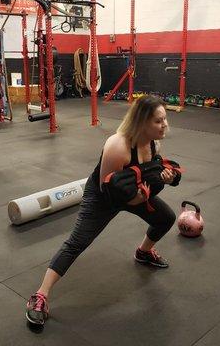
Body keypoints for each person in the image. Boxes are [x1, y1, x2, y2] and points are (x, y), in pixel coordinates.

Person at [26, 95, 178, 326]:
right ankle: (40, 295)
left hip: (135, 194)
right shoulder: (117, 146)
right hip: (101, 197)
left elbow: (147, 176)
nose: (165, 125)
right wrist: (137, 199)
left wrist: (163, 180)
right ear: (141, 122)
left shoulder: (154, 143)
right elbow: (106, 190)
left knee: (166, 218)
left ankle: (143, 252)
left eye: (164, 119)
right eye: (158, 121)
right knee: (77, 242)